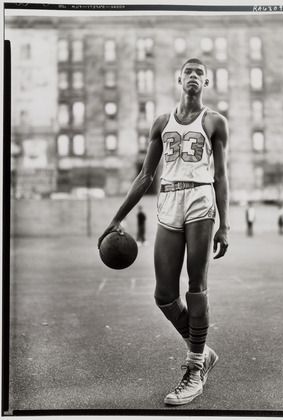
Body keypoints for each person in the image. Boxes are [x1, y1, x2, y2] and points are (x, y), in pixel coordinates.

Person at [98, 58, 230, 406]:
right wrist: (116, 218)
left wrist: (225, 225)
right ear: (178, 79)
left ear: (206, 82)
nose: (193, 77)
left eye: (199, 74)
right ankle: (204, 352)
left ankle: (194, 368)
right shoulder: (161, 122)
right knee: (164, 295)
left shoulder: (215, 121)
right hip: (169, 199)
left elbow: (221, 177)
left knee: (196, 287)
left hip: (201, 198)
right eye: (188, 72)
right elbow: (145, 176)